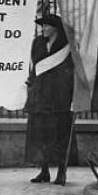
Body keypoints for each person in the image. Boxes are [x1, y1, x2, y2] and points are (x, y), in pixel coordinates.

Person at [24, 13, 74, 186]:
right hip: (41, 96)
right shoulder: (38, 43)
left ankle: (61, 172)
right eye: (42, 26)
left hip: (60, 96)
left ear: (56, 28)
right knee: (41, 135)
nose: (43, 29)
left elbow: (73, 68)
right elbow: (35, 66)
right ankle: (44, 171)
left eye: (47, 26)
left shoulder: (67, 44)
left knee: (60, 134)